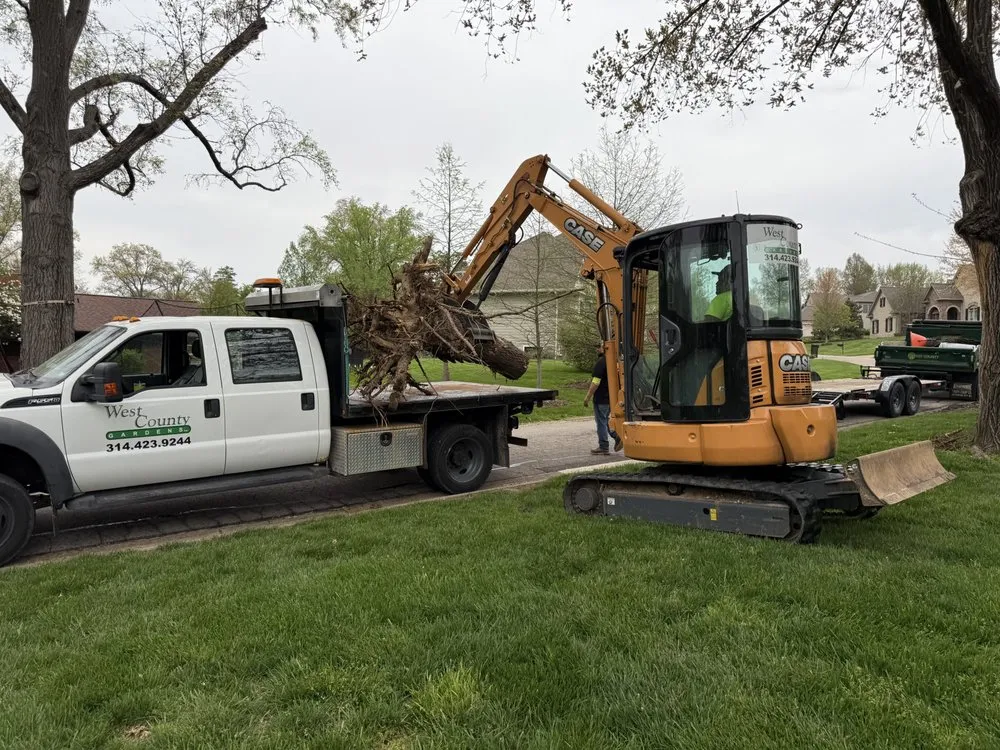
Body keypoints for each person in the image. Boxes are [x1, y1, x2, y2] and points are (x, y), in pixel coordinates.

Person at [583, 344, 623, 455]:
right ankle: (616, 436)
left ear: (605, 348)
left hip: (601, 398)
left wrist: (587, 397)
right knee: (605, 420)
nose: (597, 349)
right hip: (611, 397)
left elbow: (595, 382)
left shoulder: (601, 363)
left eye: (599, 347)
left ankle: (603, 446)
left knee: (601, 422)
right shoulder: (615, 363)